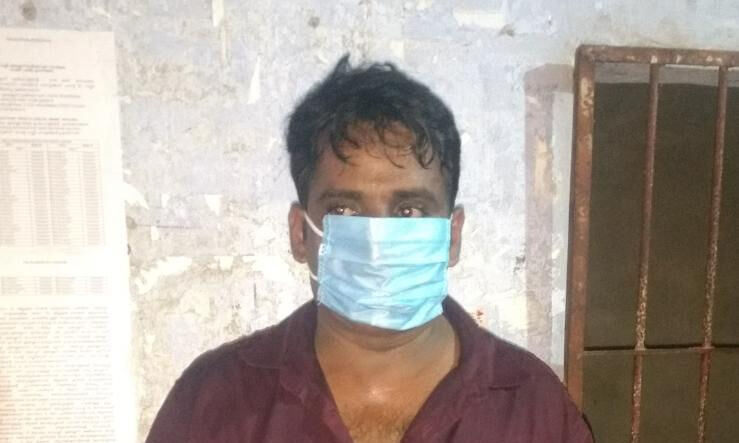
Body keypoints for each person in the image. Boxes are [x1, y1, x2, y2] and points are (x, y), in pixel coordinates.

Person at [145, 56, 594, 443]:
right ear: (300, 234)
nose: (377, 241)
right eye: (345, 209)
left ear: (452, 236)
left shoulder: (537, 411)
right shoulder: (212, 403)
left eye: (409, 210)